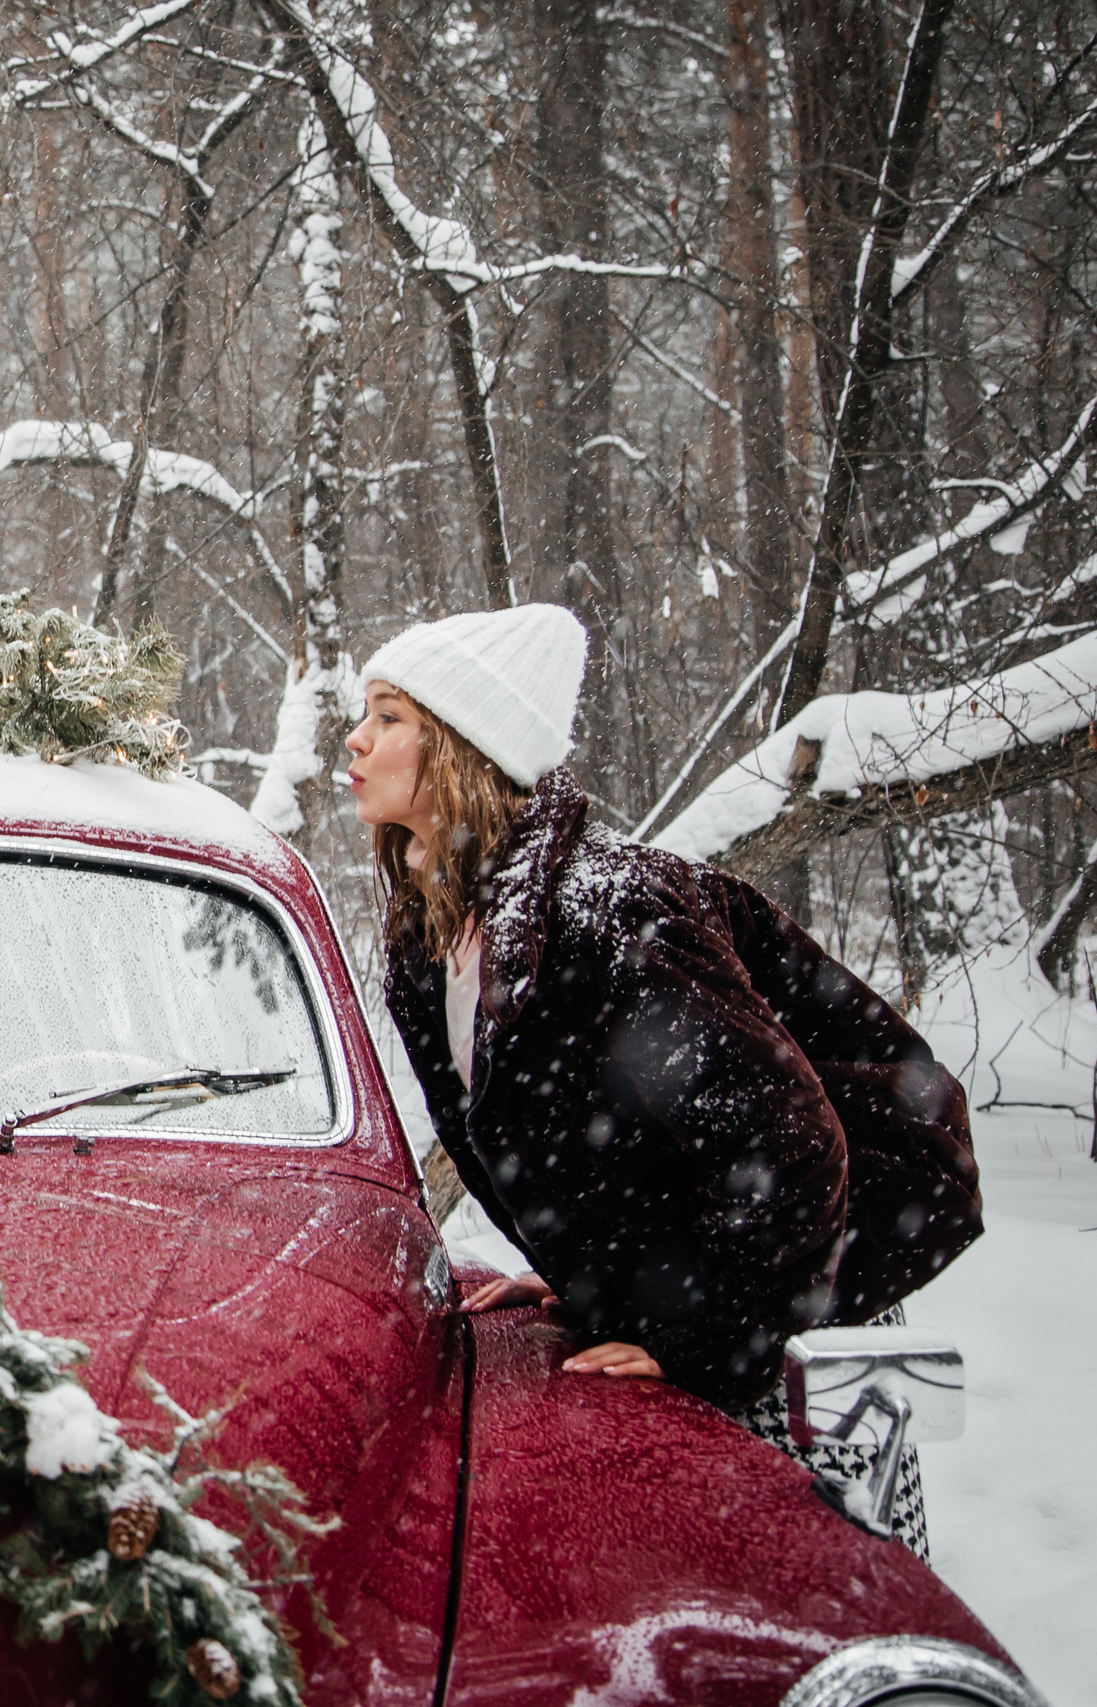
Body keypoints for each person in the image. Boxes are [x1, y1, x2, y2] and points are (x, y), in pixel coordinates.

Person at [345, 603, 981, 1552]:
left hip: (803, 1296)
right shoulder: (434, 942)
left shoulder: (608, 912)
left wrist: (710, 1340)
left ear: (463, 748)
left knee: (818, 1601)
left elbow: (792, 1148)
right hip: (725, 1278)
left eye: (390, 716)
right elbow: (600, 1136)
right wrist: (583, 1275)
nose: (355, 738)